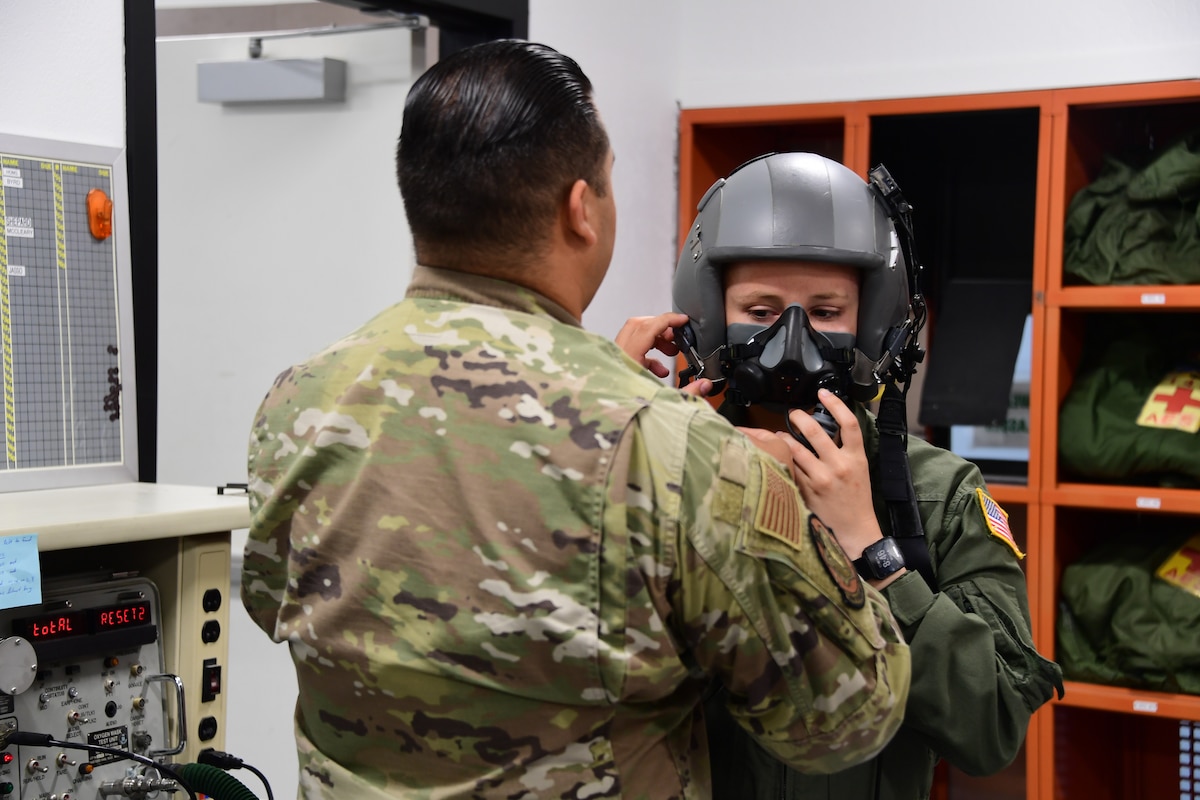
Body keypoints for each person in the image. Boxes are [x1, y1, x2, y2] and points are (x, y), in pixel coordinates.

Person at [240, 42, 911, 800]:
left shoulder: (298, 400)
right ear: (580, 208)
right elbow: (848, 717)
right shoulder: (675, 445)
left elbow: (271, 604)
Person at [627, 151, 1064, 800]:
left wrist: (871, 549)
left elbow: (992, 727)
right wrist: (612, 432)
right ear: (713, 312)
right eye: (764, 311)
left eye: (827, 312)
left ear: (872, 323)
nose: (795, 340)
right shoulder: (654, 459)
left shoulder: (937, 495)